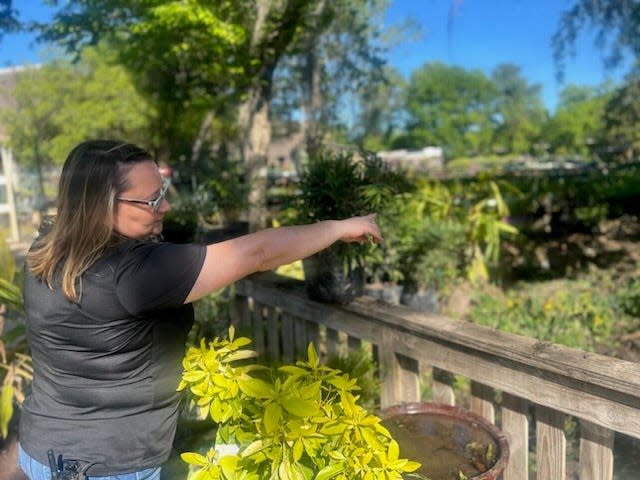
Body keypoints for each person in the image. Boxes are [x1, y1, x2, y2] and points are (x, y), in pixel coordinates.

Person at [18, 140, 382, 480]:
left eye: (162, 193)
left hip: (40, 449)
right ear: (101, 206)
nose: (165, 206)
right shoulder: (133, 273)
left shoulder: (45, 252)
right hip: (109, 463)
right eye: (150, 201)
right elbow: (257, 253)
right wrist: (338, 228)